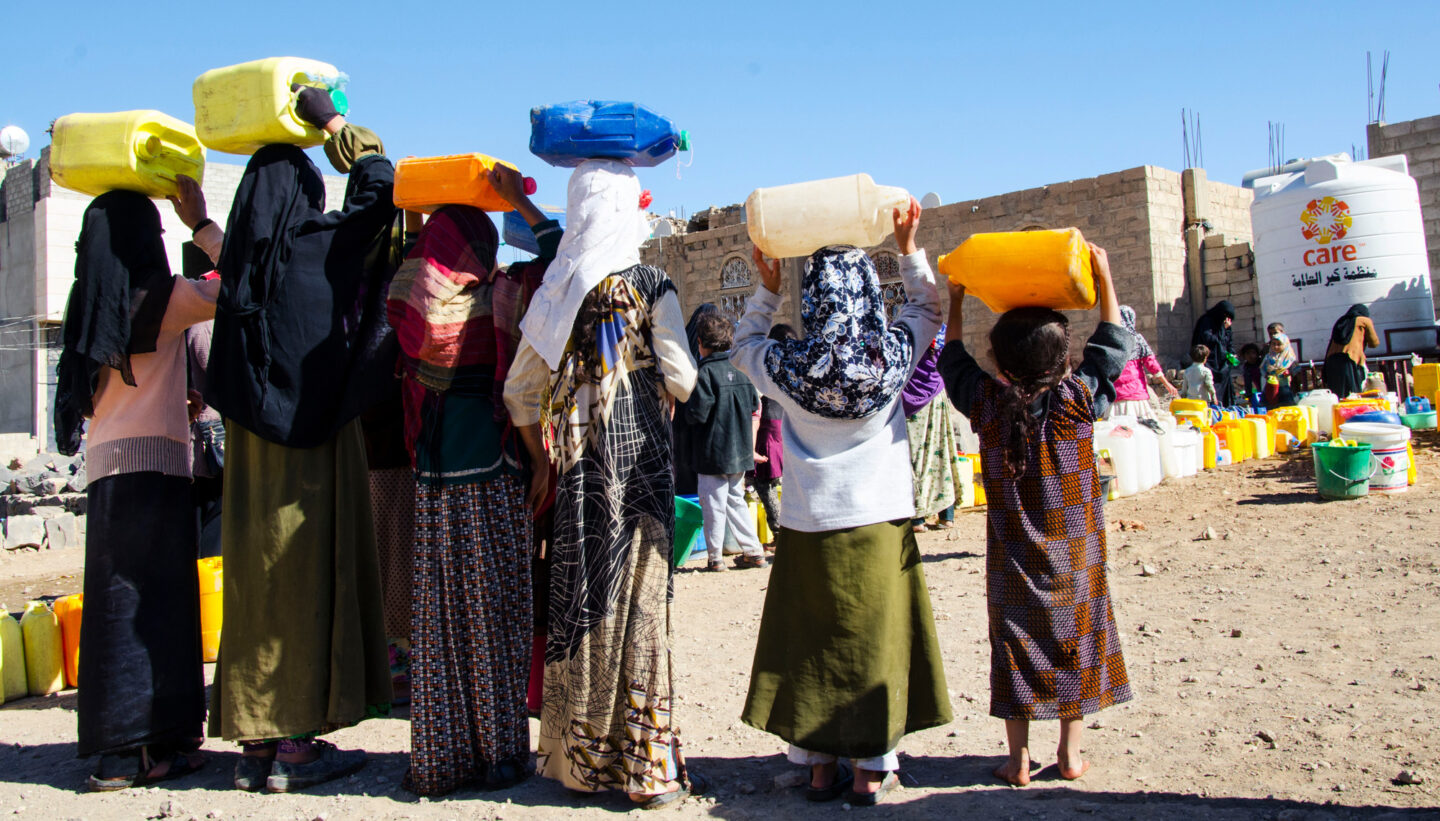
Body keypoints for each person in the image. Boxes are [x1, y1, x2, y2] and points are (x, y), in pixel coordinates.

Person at [205, 88, 396, 792]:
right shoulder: (318, 252)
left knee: (255, 582)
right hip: (310, 454)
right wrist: (338, 126)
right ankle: (296, 746)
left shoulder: (240, 285)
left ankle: (254, 743)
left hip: (251, 457)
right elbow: (380, 189)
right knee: (302, 576)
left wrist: (197, 221)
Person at [735, 199, 951, 808]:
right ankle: (870, 772)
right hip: (880, 520)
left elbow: (745, 341)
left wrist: (767, 288)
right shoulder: (890, 359)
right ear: (866, 295)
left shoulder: (788, 364)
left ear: (813, 302)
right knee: (874, 643)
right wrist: (909, 251)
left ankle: (819, 768)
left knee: (813, 644)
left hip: (807, 522)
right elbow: (927, 308)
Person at [503, 159, 700, 808]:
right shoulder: (649, 282)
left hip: (579, 481)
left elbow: (519, 392)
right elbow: (684, 378)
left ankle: (576, 763)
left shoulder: (557, 290)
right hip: (639, 480)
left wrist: (539, 460)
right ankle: (645, 770)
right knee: (639, 613)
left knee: (581, 609)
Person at [385, 166, 556, 796]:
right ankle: (501, 755)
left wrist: (418, 217)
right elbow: (561, 260)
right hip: (493, 482)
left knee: (441, 625)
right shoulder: (501, 299)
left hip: (434, 486)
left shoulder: (407, 303)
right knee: (496, 620)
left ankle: (442, 758)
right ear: (482, 248)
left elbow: (411, 264)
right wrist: (519, 204)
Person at [938, 242, 1133, 787]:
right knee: (1077, 638)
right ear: (1064, 357)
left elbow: (951, 361)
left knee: (1016, 646)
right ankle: (1069, 757)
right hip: (1075, 557)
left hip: (1013, 563)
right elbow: (1115, 344)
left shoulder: (987, 406)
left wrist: (955, 300)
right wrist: (1105, 274)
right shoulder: (1078, 402)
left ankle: (1018, 760)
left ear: (998, 362)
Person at [55, 178, 222, 790]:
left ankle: (132, 749)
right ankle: (139, 750)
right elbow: (241, 287)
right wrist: (201, 224)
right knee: (155, 611)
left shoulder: (90, 305)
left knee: (115, 606)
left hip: (105, 471)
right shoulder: (163, 296)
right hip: (157, 469)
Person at [687, 312, 767, 572]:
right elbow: (755, 404)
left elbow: (697, 413)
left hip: (712, 453)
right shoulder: (742, 371)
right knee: (735, 500)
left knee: (713, 504)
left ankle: (715, 557)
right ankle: (754, 551)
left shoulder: (704, 373)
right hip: (740, 452)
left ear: (701, 343)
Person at [903, 324, 963, 531]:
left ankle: (917, 518)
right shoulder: (943, 331)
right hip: (937, 397)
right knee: (942, 452)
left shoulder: (907, 329)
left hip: (910, 402)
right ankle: (947, 516)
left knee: (913, 457)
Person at [752, 324, 794, 549]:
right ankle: (790, 530)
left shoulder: (768, 361)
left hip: (770, 423)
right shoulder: (798, 361)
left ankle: (779, 532)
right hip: (791, 423)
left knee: (764, 480)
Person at [1109, 305, 1177, 419]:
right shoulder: (1136, 339)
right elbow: (1151, 363)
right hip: (1136, 395)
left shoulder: (1110, 340)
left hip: (1116, 395)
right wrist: (1166, 383)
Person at [1323, 304, 1378, 398]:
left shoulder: (1342, 321)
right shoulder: (1365, 320)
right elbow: (1374, 343)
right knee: (1353, 393)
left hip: (1331, 361)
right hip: (1349, 359)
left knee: (1337, 394)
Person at [1191, 300, 1236, 406]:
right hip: (1210, 361)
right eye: (1225, 315)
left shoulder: (1224, 325)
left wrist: (1232, 353)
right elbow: (1208, 339)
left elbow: (1228, 342)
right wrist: (1223, 329)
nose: (1226, 319)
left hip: (1222, 363)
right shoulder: (1206, 321)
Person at [1261, 332, 1297, 409]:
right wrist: (1266, 375)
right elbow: (1262, 368)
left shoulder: (1289, 358)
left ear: (1285, 344)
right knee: (1268, 406)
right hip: (1271, 386)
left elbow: (1296, 369)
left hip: (1284, 385)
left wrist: (1289, 373)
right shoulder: (1268, 357)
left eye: (1279, 344)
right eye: (1273, 344)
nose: (1276, 347)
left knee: (1286, 406)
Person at [1238, 343, 1263, 408]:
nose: (1251, 356)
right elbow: (1247, 383)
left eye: (1253, 353)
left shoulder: (1262, 364)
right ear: (1244, 356)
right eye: (1248, 353)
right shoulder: (1247, 367)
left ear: (1257, 354)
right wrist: (1249, 396)